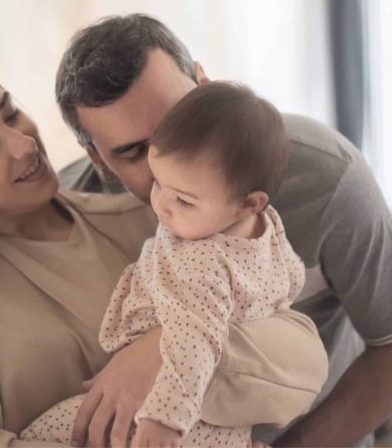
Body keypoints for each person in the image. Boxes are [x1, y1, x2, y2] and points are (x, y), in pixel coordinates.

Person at [0, 50, 327, 447]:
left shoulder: (152, 221)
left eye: (11, 113)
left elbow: (304, 362)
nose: (22, 144)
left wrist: (160, 353)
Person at [55, 13, 392, 446]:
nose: (172, 159)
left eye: (181, 119)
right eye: (135, 152)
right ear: (97, 158)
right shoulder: (70, 214)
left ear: (205, 83)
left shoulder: (325, 176)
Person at [21, 82, 322, 447]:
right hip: (231, 425)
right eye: (158, 182)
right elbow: (290, 279)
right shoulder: (266, 228)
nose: (161, 205)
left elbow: (191, 343)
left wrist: (164, 423)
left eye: (184, 200)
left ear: (249, 203)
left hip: (167, 407)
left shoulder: (196, 260)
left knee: (46, 431)